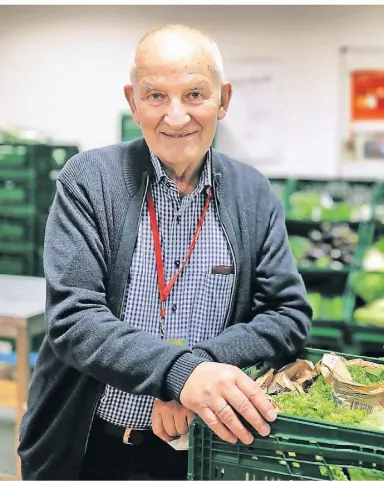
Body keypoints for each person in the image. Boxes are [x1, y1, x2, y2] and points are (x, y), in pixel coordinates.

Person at [18, 24, 312, 480]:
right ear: (133, 101)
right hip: (90, 447)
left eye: (195, 94)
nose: (176, 117)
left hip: (201, 452)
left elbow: (287, 315)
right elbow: (74, 319)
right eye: (156, 96)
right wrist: (180, 373)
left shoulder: (252, 193)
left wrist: (194, 371)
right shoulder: (89, 181)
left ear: (224, 99)